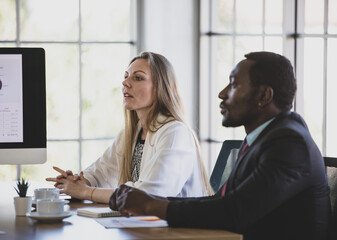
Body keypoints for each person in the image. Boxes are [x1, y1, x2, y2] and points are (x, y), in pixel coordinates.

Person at [109, 51, 331, 240]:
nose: (222, 93)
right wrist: (148, 200)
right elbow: (223, 201)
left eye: (233, 84)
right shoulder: (266, 138)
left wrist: (151, 205)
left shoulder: (290, 144)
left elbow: (234, 211)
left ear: (263, 95)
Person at [46, 52, 212, 203]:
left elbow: (150, 194)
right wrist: (79, 182)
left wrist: (86, 192)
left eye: (138, 78)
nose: (125, 82)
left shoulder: (175, 133)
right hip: (144, 227)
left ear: (160, 87)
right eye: (126, 76)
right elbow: (102, 172)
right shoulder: (131, 133)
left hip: (179, 232)